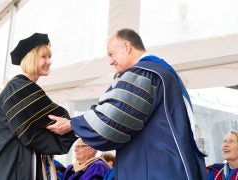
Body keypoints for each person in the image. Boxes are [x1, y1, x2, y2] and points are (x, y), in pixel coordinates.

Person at [47, 28, 207, 179]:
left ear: (127, 46)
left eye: (111, 54)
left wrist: (73, 124)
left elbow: (112, 119)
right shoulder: (163, 72)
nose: (110, 61)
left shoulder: (144, 73)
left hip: (156, 170)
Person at [0, 33, 77, 180]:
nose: (49, 62)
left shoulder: (19, 88)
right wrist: (73, 125)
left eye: (49, 57)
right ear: (31, 58)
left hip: (4, 166)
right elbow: (55, 120)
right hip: (6, 168)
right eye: (44, 57)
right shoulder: (19, 90)